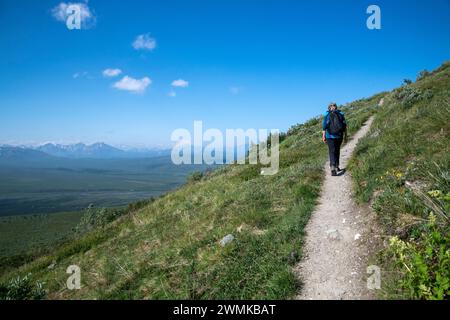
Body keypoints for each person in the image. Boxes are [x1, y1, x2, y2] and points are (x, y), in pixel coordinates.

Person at [322, 102, 347, 176]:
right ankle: (337, 166)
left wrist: (323, 136)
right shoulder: (341, 114)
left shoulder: (327, 114)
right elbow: (344, 126)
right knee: (337, 150)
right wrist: (346, 135)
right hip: (339, 136)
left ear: (329, 108)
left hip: (329, 136)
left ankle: (332, 167)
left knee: (331, 151)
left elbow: (324, 126)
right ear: (336, 107)